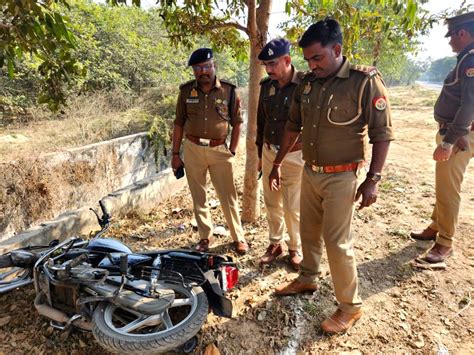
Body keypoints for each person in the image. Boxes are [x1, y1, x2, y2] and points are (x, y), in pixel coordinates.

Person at [269, 19, 394, 334]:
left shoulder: (363, 81)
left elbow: (382, 133)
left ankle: (350, 307)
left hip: (342, 177)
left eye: (317, 58)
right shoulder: (309, 83)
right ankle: (307, 278)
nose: (311, 65)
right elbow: (292, 126)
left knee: (337, 243)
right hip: (311, 171)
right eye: (308, 60)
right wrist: (277, 163)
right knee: (308, 230)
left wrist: (373, 179)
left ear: (336, 49)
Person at [171, 48, 249, 254]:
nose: (202, 71)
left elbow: (237, 122)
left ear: (214, 66)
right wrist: (175, 154)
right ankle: (205, 236)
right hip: (193, 148)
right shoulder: (186, 92)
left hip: (219, 150)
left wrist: (232, 149)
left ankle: (238, 237)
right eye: (197, 68)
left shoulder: (229, 91)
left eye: (206, 66)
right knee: (199, 195)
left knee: (228, 196)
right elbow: (179, 123)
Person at [410, 12, 474, 264]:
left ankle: (445, 242)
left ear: (463, 34)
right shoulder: (465, 59)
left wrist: (448, 141)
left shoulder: (470, 62)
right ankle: (437, 225)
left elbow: (469, 106)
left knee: (449, 190)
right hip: (455, 132)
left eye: (451, 36)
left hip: (457, 136)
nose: (449, 42)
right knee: (443, 184)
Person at [255, 39, 304, 270]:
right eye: (266, 65)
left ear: (287, 60)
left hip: (294, 156)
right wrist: (258, 154)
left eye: (273, 63)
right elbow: (261, 121)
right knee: (272, 202)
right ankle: (276, 244)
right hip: (268, 151)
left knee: (292, 206)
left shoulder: (305, 84)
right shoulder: (267, 85)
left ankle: (295, 248)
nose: (269, 69)